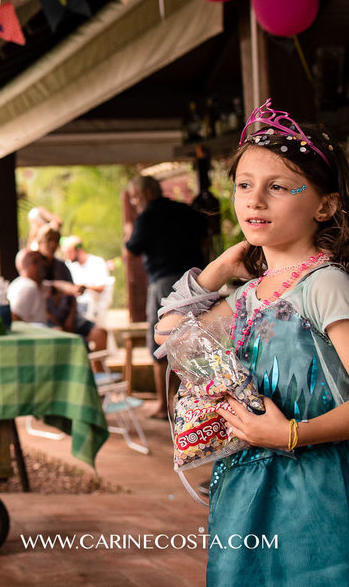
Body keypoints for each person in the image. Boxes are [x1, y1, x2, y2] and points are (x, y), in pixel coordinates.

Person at [154, 103, 349, 586]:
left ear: (324, 205)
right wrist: (218, 269)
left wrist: (290, 436)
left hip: (314, 490)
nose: (255, 200)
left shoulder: (325, 286)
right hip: (244, 487)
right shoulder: (247, 296)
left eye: (278, 187)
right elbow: (170, 335)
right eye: (244, 185)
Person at [125, 174, 207, 418]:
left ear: (149, 193)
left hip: (164, 284)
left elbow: (131, 251)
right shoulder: (186, 211)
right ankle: (199, 403)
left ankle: (166, 405)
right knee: (197, 340)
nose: (134, 201)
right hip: (196, 281)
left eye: (136, 196)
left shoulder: (147, 216)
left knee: (161, 341)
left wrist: (129, 232)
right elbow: (205, 238)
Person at [61, 235, 114, 325]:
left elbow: (101, 288)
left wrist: (84, 287)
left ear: (79, 250)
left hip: (93, 305)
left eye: (69, 252)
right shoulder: (69, 265)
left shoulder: (96, 262)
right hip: (74, 304)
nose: (67, 257)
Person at [7, 248, 51, 327]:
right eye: (39, 261)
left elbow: (55, 287)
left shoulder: (27, 283)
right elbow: (14, 316)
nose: (45, 264)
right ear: (32, 264)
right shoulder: (28, 287)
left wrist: (73, 289)